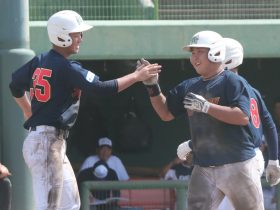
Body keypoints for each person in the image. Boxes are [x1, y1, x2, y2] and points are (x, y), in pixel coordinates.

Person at [8, 10, 161, 210]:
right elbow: (102, 88)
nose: (81, 37)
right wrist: (136, 76)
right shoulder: (66, 67)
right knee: (48, 207)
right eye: (76, 33)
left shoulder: (40, 60)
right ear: (62, 36)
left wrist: (27, 110)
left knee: (70, 204)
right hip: (46, 143)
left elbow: (14, 85)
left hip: (51, 142)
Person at [141, 30, 266, 210]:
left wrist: (207, 107)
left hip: (237, 164)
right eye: (192, 53)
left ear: (215, 53)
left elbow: (242, 116)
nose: (194, 57)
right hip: (204, 165)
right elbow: (165, 113)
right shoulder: (190, 85)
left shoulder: (232, 81)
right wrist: (152, 86)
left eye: (199, 51)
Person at [176, 37, 280, 210]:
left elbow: (229, 131)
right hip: (243, 156)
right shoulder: (249, 88)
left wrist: (192, 144)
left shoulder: (230, 87)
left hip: (240, 159)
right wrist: (274, 160)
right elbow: (269, 125)